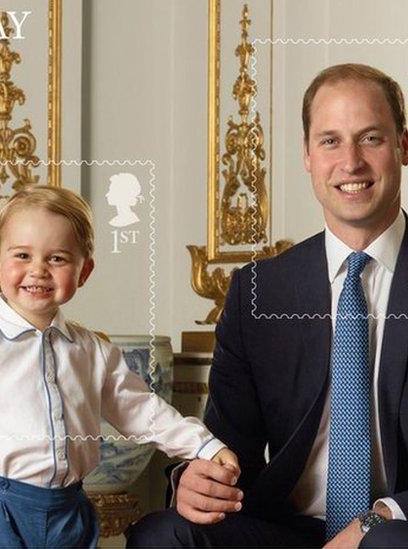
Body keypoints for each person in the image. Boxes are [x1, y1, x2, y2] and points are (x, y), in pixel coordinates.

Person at [127, 63, 408, 547]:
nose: (351, 162)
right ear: (306, 155)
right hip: (284, 528)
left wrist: (377, 519)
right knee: (163, 535)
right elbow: (225, 443)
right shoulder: (259, 290)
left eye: (371, 139)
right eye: (330, 141)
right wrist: (196, 481)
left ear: (403, 145)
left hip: (395, 526)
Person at [0, 186, 239, 548]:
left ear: (84, 271)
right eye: (22, 255)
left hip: (68, 508)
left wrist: (202, 445)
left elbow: (142, 411)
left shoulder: (91, 350)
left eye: (57, 259)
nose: (38, 270)